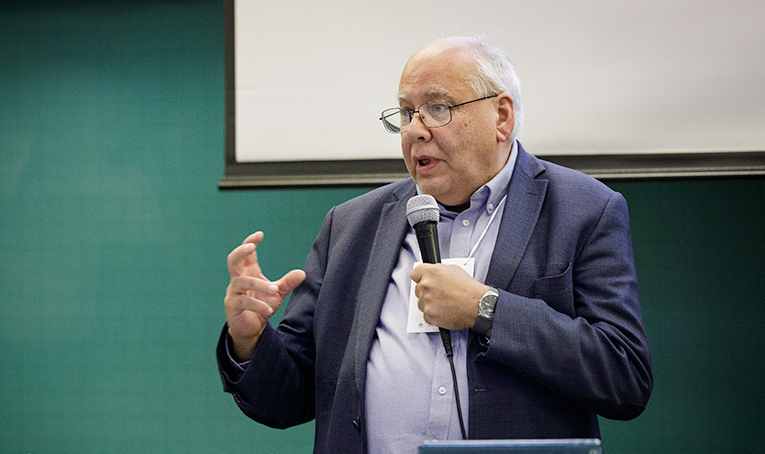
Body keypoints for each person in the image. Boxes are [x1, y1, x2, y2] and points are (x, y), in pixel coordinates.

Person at [217, 36, 652, 453]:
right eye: (406, 113)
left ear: (502, 117)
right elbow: (287, 397)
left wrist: (488, 311)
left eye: (437, 108)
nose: (414, 131)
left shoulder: (584, 210)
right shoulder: (350, 226)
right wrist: (250, 341)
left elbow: (624, 377)